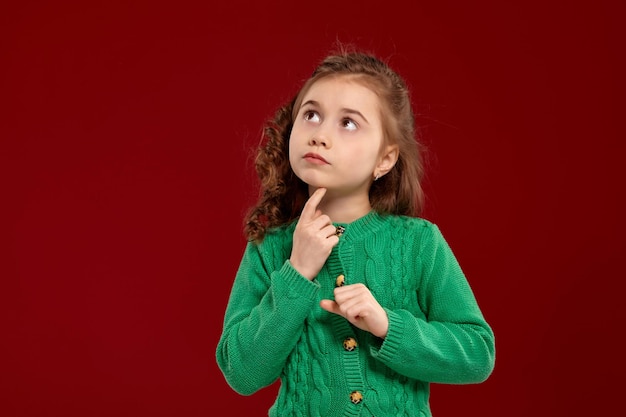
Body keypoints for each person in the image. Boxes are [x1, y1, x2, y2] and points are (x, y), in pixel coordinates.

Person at [215, 47, 495, 417]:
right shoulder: (272, 247)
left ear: (385, 159)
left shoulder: (419, 243)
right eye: (311, 115)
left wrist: (387, 326)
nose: (319, 135)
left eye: (348, 123)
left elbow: (477, 354)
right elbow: (241, 372)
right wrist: (296, 272)